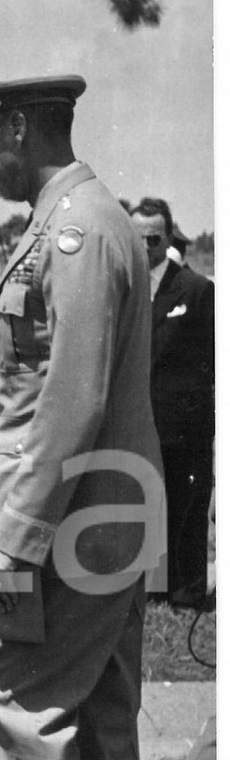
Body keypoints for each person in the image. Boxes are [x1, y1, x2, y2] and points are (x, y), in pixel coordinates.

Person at [0, 74, 163, 760]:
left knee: (13, 695)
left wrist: (15, 540)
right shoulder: (85, 218)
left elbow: (71, 400)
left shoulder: (75, 231)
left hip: (75, 517)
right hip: (109, 511)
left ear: (15, 127)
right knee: (104, 705)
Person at [129, 197, 214, 609]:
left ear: (168, 237)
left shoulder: (196, 289)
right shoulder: (122, 288)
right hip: (136, 421)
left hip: (183, 425)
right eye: (139, 238)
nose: (146, 247)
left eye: (154, 239)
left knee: (185, 509)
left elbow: (212, 361)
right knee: (142, 505)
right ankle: (150, 589)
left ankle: (186, 592)